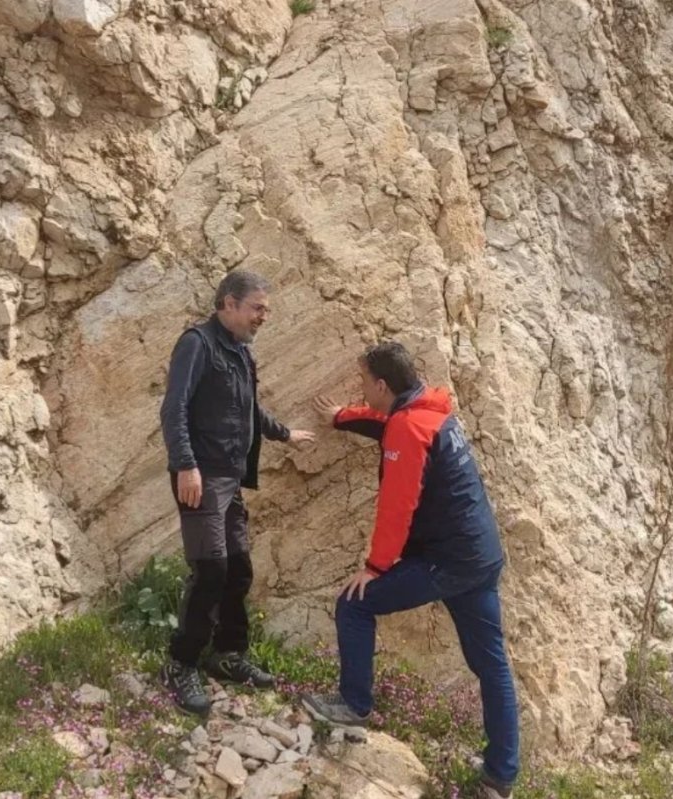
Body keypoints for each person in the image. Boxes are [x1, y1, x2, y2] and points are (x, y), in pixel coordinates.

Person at [302, 342, 520, 799]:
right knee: (492, 665)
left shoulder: (408, 426)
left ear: (382, 384)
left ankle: (354, 704)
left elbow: (398, 505)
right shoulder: (431, 410)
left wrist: (375, 567)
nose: (361, 388)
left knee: (354, 604)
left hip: (448, 562)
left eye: (364, 382)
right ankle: (500, 778)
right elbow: (389, 425)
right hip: (480, 555)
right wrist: (343, 416)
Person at [158, 270, 314, 716]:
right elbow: (174, 408)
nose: (263, 317)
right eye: (257, 308)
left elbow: (246, 406)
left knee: (239, 568)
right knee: (210, 570)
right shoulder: (197, 343)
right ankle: (180, 663)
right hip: (201, 478)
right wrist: (186, 465)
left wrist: (284, 434)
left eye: (265, 309)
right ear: (228, 303)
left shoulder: (241, 352)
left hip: (230, 479)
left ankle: (227, 653)